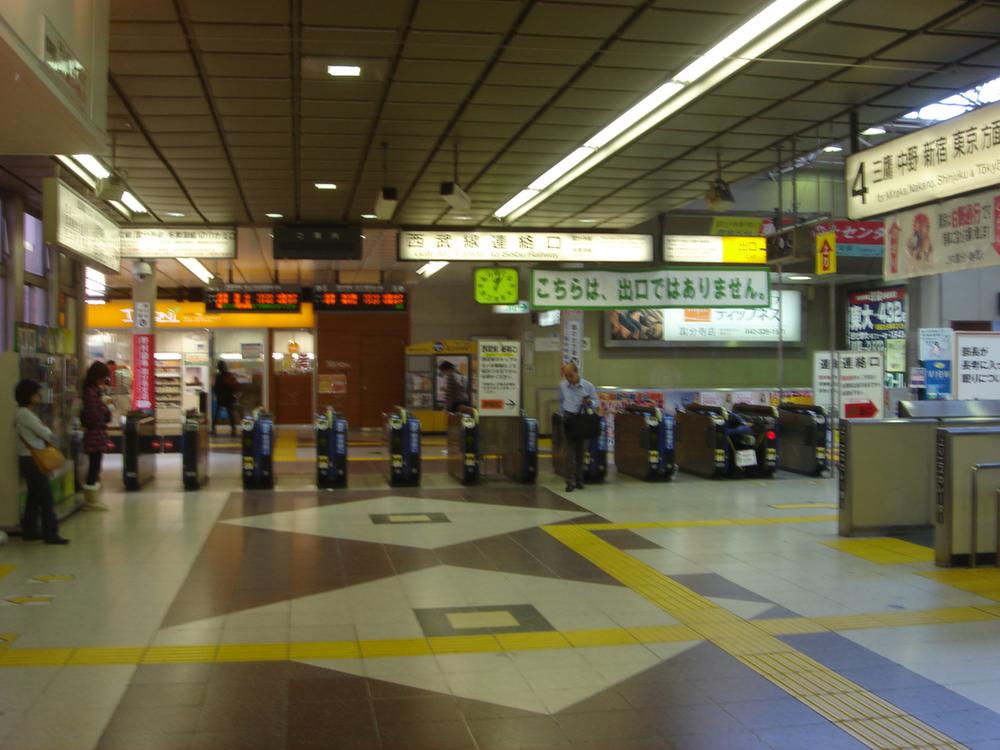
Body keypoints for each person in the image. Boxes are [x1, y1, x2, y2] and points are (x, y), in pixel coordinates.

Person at [15, 379, 69, 544]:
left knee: (34, 496)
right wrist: (52, 433)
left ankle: (30, 530)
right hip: (33, 460)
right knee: (46, 497)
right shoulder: (25, 413)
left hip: (28, 459)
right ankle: (51, 533)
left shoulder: (23, 413)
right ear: (28, 395)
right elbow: (44, 432)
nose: (39, 395)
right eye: (36, 392)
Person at [559, 363, 598, 493]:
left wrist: (589, 402)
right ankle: (570, 481)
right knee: (569, 453)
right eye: (566, 376)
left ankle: (579, 479)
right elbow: (561, 401)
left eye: (571, 375)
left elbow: (596, 402)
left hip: (582, 419)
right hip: (569, 418)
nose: (569, 378)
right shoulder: (562, 386)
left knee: (581, 451)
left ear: (577, 372)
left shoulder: (588, 386)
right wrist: (561, 417)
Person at [80, 361, 112, 511]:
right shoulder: (92, 394)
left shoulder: (92, 392)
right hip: (95, 435)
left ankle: (92, 498)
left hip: (95, 434)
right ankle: (91, 500)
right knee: (94, 466)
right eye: (103, 377)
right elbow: (95, 417)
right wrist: (106, 410)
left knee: (95, 466)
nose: (104, 380)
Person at [213, 360, 240, 436]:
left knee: (217, 414)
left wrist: (217, 394)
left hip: (221, 398)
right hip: (228, 397)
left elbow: (215, 387)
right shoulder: (229, 375)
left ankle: (213, 429)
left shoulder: (218, 376)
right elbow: (235, 387)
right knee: (230, 414)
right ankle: (233, 430)